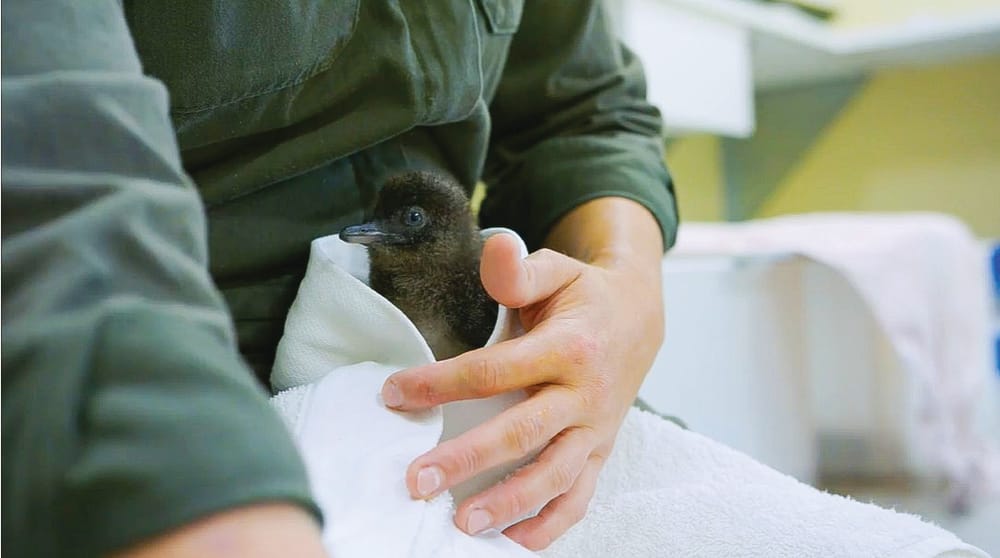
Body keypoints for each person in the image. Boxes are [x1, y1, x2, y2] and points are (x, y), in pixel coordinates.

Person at [1, 1, 678, 556]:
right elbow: (49, 160)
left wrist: (624, 294)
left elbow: (584, 114)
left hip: (498, 380)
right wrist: (190, 478)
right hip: (181, 378)